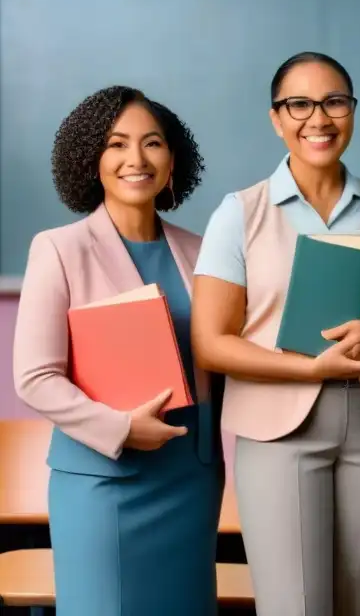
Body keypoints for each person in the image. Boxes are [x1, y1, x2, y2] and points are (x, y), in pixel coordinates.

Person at [191, 52, 360, 615]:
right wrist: (309, 368)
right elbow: (211, 342)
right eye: (300, 104)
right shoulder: (239, 214)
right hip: (276, 431)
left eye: (335, 102)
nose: (320, 118)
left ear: (353, 111)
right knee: (295, 605)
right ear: (276, 117)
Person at [12, 86, 220, 615]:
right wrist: (123, 428)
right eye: (116, 144)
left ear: (173, 160)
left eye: (152, 143)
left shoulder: (201, 251)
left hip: (190, 478)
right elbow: (35, 377)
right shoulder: (58, 248)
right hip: (104, 484)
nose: (136, 159)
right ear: (92, 160)